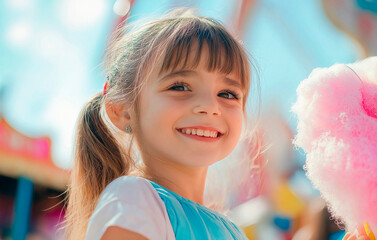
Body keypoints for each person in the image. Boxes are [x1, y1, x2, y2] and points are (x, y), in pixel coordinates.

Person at [63, 8, 254, 240]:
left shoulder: (235, 232)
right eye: (180, 87)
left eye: (227, 93)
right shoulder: (134, 198)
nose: (210, 106)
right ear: (122, 110)